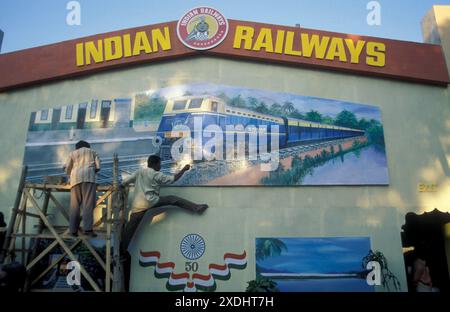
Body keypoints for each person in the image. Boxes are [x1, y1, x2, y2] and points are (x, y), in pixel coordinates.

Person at [120, 155, 208, 291]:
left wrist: (120, 187)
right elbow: (173, 179)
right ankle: (196, 207)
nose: (160, 166)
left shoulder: (140, 172)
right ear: (155, 164)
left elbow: (126, 181)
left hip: (137, 205)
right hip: (151, 201)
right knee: (173, 199)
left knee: (130, 228)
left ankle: (121, 250)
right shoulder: (156, 174)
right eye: (159, 164)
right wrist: (184, 169)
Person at [64, 140, 100, 237]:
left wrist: (70, 174)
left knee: (74, 206)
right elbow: (98, 167)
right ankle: (87, 230)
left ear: (77, 147)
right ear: (88, 146)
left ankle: (73, 230)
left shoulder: (72, 153)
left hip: (75, 180)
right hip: (89, 179)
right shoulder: (93, 152)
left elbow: (67, 168)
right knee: (88, 205)